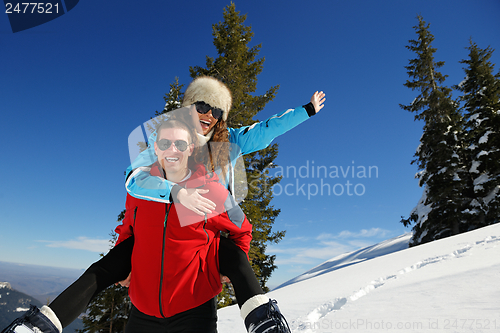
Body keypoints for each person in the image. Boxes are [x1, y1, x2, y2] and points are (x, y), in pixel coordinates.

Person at [2, 76, 324, 333]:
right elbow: (134, 181)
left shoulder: (227, 144)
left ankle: (264, 322)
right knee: (112, 262)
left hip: (204, 232)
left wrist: (306, 110)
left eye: (216, 111)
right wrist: (172, 193)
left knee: (230, 255)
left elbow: (266, 131)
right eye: (202, 105)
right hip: (155, 257)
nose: (208, 115)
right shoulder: (159, 155)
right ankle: (42, 324)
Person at [118, 119, 253, 332]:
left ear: (190, 149)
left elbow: (243, 229)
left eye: (180, 145)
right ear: (155, 147)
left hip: (195, 310)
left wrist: (226, 268)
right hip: (142, 310)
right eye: (164, 144)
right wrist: (124, 265)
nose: (172, 150)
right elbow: (128, 229)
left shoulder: (212, 190)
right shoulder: (141, 190)